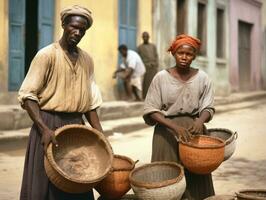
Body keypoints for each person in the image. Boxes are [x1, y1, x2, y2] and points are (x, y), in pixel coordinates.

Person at [18, 5, 102, 200]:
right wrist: (44, 128)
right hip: (48, 123)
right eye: (73, 27)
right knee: (44, 182)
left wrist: (100, 134)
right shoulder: (47, 55)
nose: (78, 32)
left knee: (78, 180)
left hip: (76, 126)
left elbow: (91, 103)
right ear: (64, 25)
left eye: (82, 29)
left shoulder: (87, 60)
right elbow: (28, 95)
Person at [143, 34, 215, 200]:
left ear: (194, 56)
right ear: (173, 54)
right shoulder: (161, 78)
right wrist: (175, 127)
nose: (184, 57)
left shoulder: (202, 78)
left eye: (189, 54)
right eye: (180, 53)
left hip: (194, 131)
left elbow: (208, 106)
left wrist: (199, 121)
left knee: (196, 173)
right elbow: (151, 109)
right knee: (167, 177)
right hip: (167, 133)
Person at [137, 32, 159, 99]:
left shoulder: (153, 46)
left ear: (149, 37)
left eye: (146, 36)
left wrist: (156, 63)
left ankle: (155, 97)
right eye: (144, 37)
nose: (145, 38)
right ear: (142, 38)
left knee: (154, 82)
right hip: (145, 67)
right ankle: (145, 96)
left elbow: (156, 55)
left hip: (153, 67)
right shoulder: (140, 47)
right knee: (146, 82)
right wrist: (146, 64)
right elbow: (139, 59)